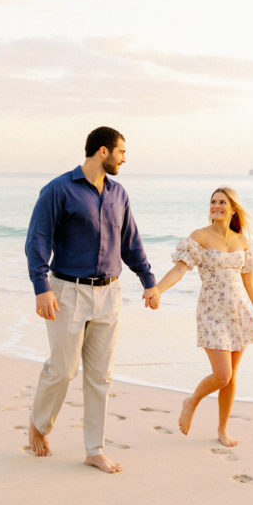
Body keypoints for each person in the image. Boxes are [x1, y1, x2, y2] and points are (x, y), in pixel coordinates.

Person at [25, 126, 159, 473]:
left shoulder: (119, 194)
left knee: (101, 376)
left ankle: (94, 450)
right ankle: (39, 424)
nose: (124, 159)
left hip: (109, 294)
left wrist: (148, 280)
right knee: (63, 369)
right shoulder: (59, 189)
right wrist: (41, 288)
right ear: (103, 151)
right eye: (122, 152)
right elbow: (38, 239)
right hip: (66, 292)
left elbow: (130, 241)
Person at [147, 187, 253, 447]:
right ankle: (191, 401)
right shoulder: (200, 237)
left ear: (233, 208)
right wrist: (157, 289)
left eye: (222, 202)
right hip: (211, 312)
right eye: (213, 202)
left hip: (238, 312)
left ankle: (222, 429)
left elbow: (250, 283)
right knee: (222, 374)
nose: (216, 206)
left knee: (232, 376)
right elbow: (179, 269)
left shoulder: (241, 241)